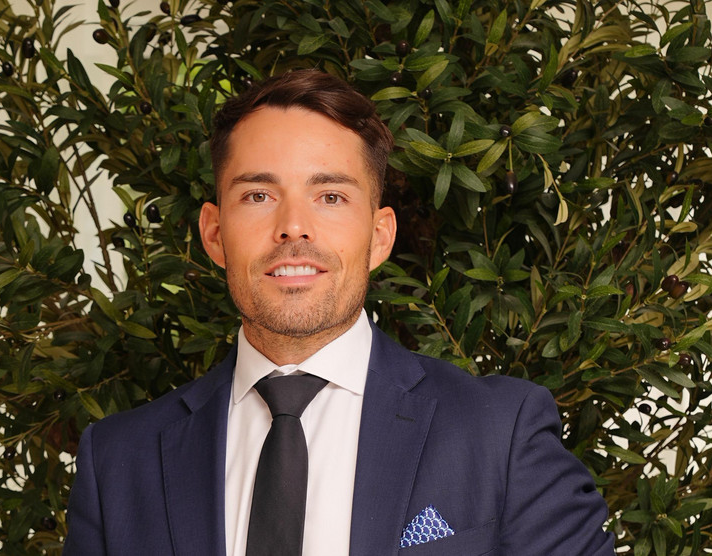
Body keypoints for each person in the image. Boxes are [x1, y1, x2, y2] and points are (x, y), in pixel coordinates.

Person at [63, 69, 615, 556]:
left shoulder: (501, 433)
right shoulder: (118, 462)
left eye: (330, 196)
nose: (293, 227)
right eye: (258, 195)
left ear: (380, 236)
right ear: (213, 233)